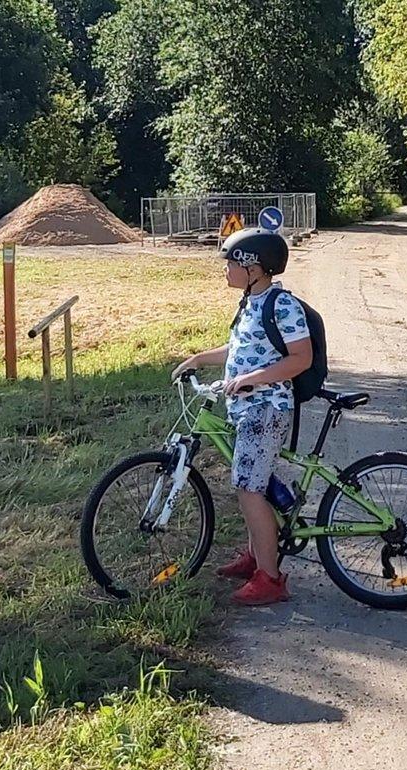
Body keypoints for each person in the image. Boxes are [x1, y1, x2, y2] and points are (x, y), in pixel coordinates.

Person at [172, 229, 314, 605]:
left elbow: (301, 358)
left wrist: (251, 379)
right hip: (246, 408)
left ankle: (270, 577)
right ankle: (256, 556)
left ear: (254, 267)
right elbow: (239, 348)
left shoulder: (282, 306)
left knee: (249, 488)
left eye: (232, 263)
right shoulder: (251, 302)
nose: (226, 269)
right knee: (254, 483)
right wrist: (200, 358)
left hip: (267, 408)